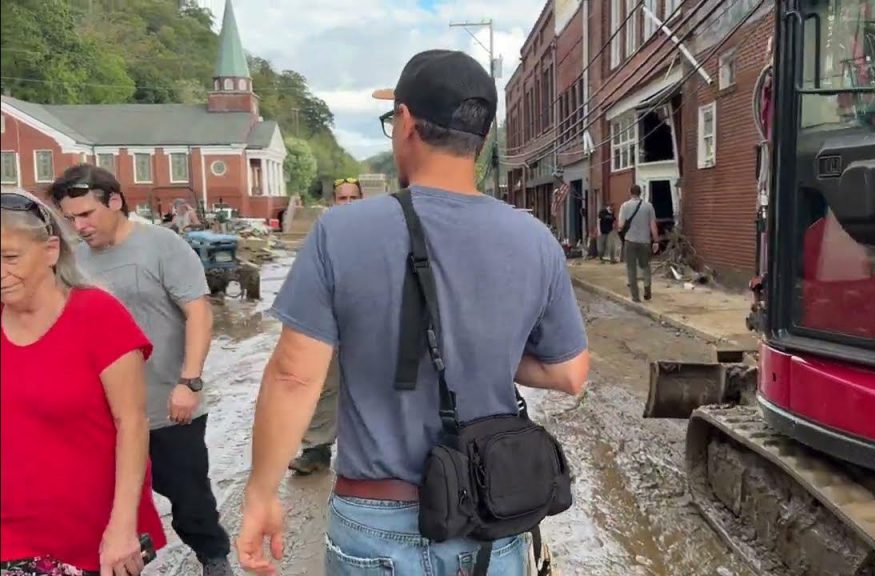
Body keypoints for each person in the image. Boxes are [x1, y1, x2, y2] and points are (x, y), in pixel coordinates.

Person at [236, 49, 590, 575]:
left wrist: (261, 494)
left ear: (405, 122)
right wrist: (483, 348)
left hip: (375, 521)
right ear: (483, 139)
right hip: (491, 520)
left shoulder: (341, 231)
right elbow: (570, 374)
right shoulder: (536, 240)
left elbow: (293, 377)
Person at [49, 165, 234, 576]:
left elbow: (198, 312)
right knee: (105, 504)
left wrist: (189, 381)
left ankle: (213, 558)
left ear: (114, 201)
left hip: (167, 406)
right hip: (103, 417)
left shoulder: (162, 245)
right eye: (70, 218)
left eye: (86, 215)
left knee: (189, 499)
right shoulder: (73, 261)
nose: (78, 226)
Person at [0, 189, 167, 575]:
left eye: (10, 257)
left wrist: (123, 527)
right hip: (10, 533)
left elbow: (133, 424)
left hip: (90, 536)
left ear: (51, 250)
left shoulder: (99, 317)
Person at [287, 177, 365, 475]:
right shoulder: (321, 235)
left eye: (352, 198)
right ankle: (316, 450)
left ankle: (366, 452)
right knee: (323, 386)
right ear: (334, 201)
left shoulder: (376, 234)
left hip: (365, 325)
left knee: (368, 388)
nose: (346, 204)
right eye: (341, 198)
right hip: (327, 324)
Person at [618, 184, 660, 302]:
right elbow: (653, 225)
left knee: (631, 269)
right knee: (645, 266)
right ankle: (647, 289)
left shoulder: (624, 206)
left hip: (630, 241)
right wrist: (656, 241)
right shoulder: (648, 206)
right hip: (645, 242)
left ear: (630, 192)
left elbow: (620, 225)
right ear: (640, 192)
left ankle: (635, 297)